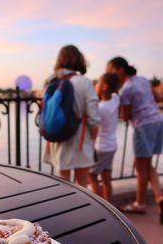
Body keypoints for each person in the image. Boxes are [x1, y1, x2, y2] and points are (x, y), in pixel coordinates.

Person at [107, 56, 163, 223]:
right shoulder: (143, 80)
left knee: (140, 167)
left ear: (120, 69)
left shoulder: (125, 90)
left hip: (143, 126)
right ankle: (160, 197)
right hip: (158, 121)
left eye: (111, 69)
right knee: (147, 164)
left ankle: (139, 203)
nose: (109, 73)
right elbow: (159, 98)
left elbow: (125, 117)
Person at [43, 45, 100, 187]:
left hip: (58, 138)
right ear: (78, 60)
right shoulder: (84, 82)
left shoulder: (51, 81)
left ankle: (65, 208)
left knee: (63, 185)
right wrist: (93, 136)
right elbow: (93, 116)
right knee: (83, 185)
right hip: (80, 139)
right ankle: (81, 209)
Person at [89, 73, 120, 202]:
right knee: (106, 177)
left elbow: (93, 128)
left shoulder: (100, 108)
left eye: (98, 83)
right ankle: (110, 204)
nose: (96, 84)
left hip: (101, 147)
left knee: (92, 175)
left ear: (105, 87)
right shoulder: (115, 98)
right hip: (112, 145)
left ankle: (103, 206)